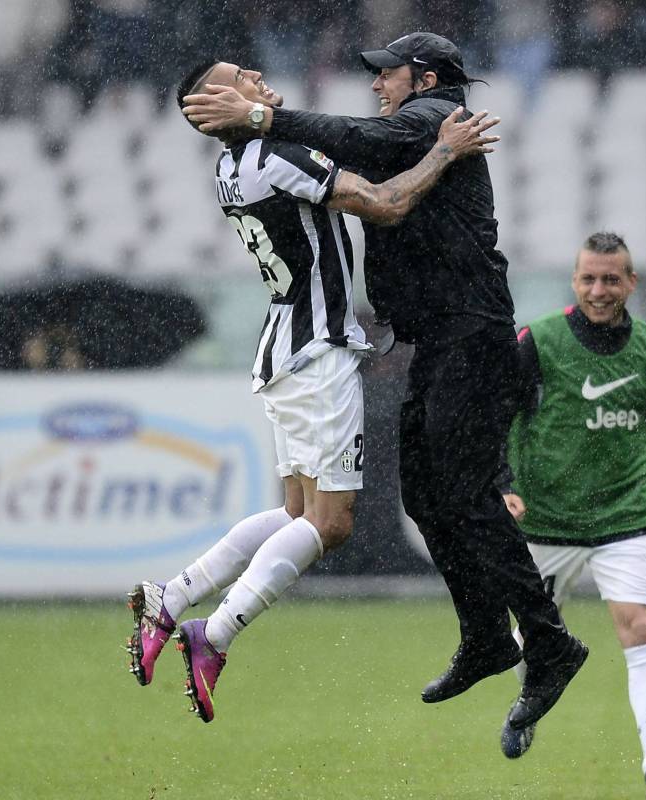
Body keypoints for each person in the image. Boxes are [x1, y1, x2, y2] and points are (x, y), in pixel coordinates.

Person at [182, 31, 589, 743]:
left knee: (461, 494)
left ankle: (548, 642)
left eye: (386, 75)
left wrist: (261, 119)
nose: (377, 85)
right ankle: (489, 637)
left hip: (470, 333)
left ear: (423, 78)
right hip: (438, 339)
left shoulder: (435, 120)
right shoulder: (418, 129)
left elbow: (350, 138)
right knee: (425, 493)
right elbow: (346, 151)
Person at [126, 57, 502, 724]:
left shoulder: (231, 167)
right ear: (217, 102)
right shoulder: (275, 155)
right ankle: (214, 635)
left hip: (284, 347)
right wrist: (444, 150)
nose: (254, 74)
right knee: (331, 524)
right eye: (238, 76)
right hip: (317, 350)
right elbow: (385, 204)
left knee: (299, 514)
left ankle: (172, 594)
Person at [498, 232, 646, 800]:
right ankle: (531, 701)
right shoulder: (538, 341)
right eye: (589, 278)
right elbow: (497, 412)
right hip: (549, 520)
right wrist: (500, 483)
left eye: (611, 279)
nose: (599, 290)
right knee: (530, 642)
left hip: (627, 515)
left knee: (640, 628)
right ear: (574, 281)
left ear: (632, 282)